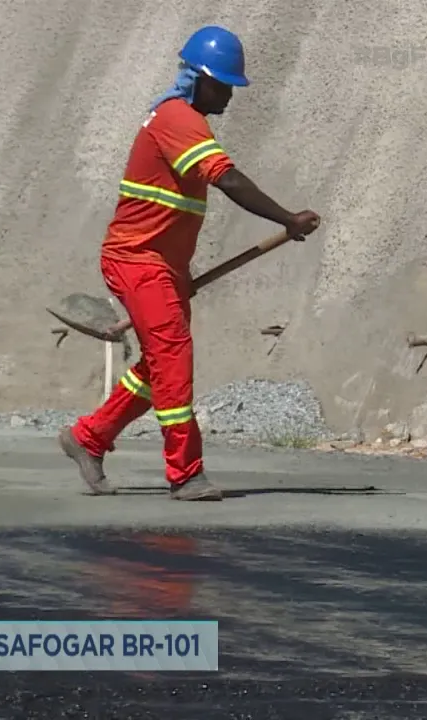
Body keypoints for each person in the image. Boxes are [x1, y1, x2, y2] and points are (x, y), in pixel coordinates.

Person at [60, 26, 321, 501]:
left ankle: (88, 438)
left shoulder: (186, 120)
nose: (227, 94)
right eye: (221, 84)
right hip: (137, 259)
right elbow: (229, 180)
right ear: (197, 78)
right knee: (174, 357)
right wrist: (288, 218)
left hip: (162, 264)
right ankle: (185, 473)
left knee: (158, 365)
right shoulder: (177, 119)